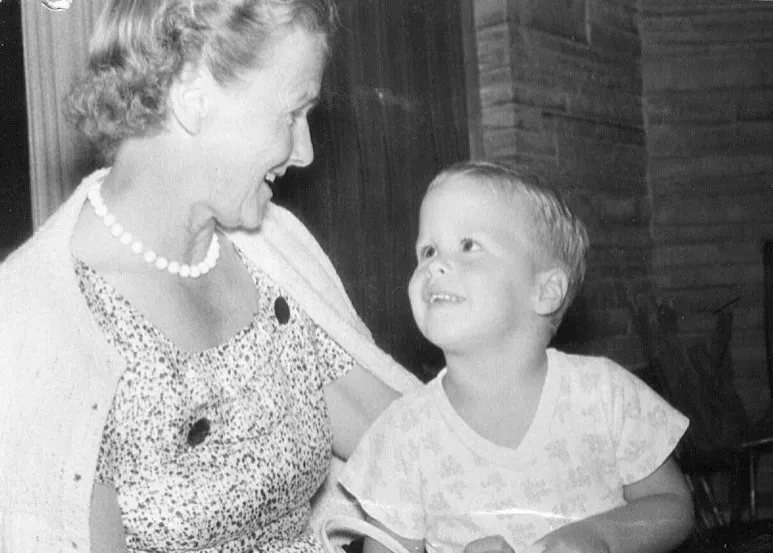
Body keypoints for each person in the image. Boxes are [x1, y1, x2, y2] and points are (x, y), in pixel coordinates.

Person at [0, 1, 421, 551]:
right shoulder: (43, 324)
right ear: (193, 94)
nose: (306, 151)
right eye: (294, 113)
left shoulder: (270, 249)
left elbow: (407, 445)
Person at [339, 161, 695, 553]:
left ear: (544, 291)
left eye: (469, 245)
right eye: (427, 250)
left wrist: (601, 537)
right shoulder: (404, 433)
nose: (433, 265)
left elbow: (673, 507)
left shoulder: (603, 393)